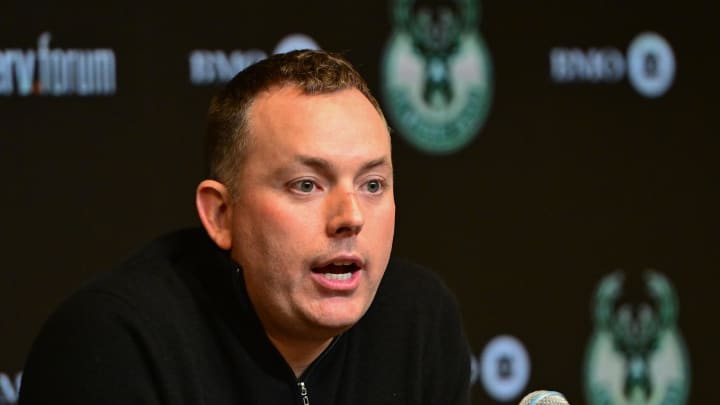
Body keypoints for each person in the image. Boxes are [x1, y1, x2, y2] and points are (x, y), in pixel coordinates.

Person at [18, 50, 471, 405]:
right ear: (220, 215)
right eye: (307, 185)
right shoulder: (114, 344)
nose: (350, 216)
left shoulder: (420, 320)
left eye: (372, 184)